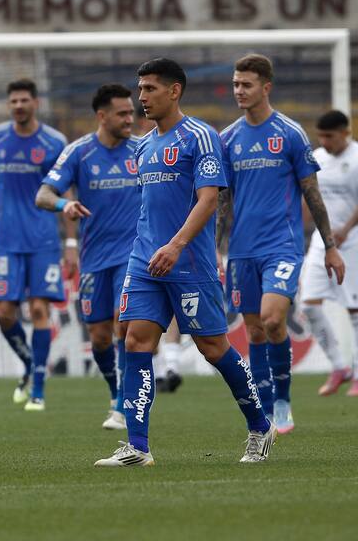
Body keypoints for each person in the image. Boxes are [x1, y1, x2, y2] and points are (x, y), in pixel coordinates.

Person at [95, 58, 274, 467]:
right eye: (139, 90)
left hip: (189, 261)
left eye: (150, 89)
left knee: (213, 348)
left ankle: (261, 426)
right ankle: (137, 447)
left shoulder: (200, 136)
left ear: (174, 91)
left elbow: (209, 199)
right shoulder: (143, 146)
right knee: (136, 341)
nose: (142, 98)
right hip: (144, 260)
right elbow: (149, 208)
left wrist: (175, 246)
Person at [217, 55, 345, 433]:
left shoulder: (289, 133)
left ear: (266, 87)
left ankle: (284, 397)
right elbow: (223, 201)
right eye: (236, 84)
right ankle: (265, 406)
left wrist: (330, 246)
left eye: (247, 84)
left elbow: (312, 193)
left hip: (282, 246)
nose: (239, 91)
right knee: (255, 330)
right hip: (242, 251)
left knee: (274, 319)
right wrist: (214, 249)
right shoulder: (228, 139)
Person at [0, 78, 71, 411]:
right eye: (14, 101)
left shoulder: (54, 142)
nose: (19, 106)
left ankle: (37, 387)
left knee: (39, 309)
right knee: (3, 312)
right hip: (7, 241)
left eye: (25, 100)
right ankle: (30, 364)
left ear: (35, 103)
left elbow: (66, 193)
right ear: (8, 105)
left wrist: (71, 240)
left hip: (42, 240)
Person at [35, 83, 139, 430]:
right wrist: (66, 204)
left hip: (134, 254)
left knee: (123, 323)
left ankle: (127, 402)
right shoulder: (78, 152)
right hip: (94, 258)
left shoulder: (141, 149)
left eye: (131, 112)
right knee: (98, 336)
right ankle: (116, 394)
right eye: (122, 113)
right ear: (102, 115)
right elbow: (44, 195)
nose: (130, 118)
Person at [299, 110, 358, 396]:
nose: (324, 141)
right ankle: (339, 366)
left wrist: (346, 229)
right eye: (320, 136)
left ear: (345, 132)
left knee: (355, 310)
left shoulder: (357, 158)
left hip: (353, 241)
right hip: (322, 243)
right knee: (308, 304)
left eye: (329, 136)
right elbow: (310, 198)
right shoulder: (318, 158)